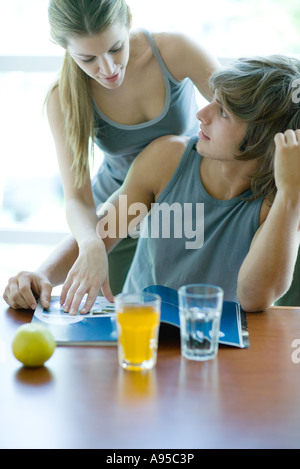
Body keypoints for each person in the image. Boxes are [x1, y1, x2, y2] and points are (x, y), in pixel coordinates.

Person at [4, 55, 300, 313]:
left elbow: (253, 298)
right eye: (213, 100)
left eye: (222, 112)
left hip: (214, 346)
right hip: (139, 330)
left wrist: (289, 196)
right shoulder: (167, 159)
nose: (202, 114)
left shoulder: (279, 202)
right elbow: (104, 231)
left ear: (264, 139)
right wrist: (39, 274)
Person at [41, 0, 220, 313]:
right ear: (66, 49)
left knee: (192, 315)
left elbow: (244, 117)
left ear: (128, 21)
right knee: (115, 321)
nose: (107, 69)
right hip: (119, 210)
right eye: (88, 59)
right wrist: (91, 243)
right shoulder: (63, 97)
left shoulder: (175, 50)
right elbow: (77, 199)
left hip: (184, 201)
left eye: (115, 48)